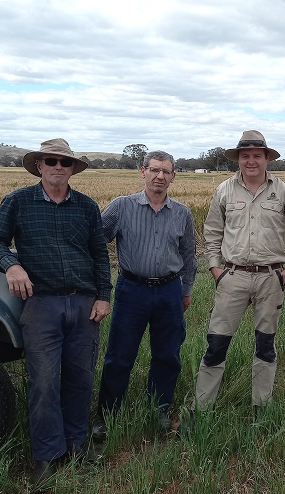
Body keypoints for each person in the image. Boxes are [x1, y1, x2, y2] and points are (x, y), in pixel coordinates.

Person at [0, 138, 111, 485]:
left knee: (80, 379)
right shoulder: (18, 201)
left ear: (72, 169)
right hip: (41, 306)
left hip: (84, 305)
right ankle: (47, 455)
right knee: (43, 383)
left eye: (64, 163)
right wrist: (11, 265)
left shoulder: (86, 206)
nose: (57, 167)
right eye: (50, 161)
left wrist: (103, 295)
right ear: (39, 165)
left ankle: (77, 444)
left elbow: (99, 254)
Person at [193, 130, 285, 413]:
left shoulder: (283, 191)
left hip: (271, 278)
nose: (251, 161)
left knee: (265, 346)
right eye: (245, 156)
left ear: (267, 158)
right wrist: (214, 268)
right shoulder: (224, 190)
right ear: (238, 159)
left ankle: (261, 408)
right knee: (216, 344)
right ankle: (200, 409)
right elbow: (212, 231)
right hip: (232, 278)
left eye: (257, 155)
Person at [91, 151, 197, 442]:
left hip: (169, 290)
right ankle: (107, 415)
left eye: (166, 171)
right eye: (154, 170)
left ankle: (158, 411)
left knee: (167, 355)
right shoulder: (121, 207)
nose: (160, 176)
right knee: (119, 356)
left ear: (173, 176)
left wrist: (185, 291)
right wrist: (99, 287)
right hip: (131, 290)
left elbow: (189, 257)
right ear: (143, 171)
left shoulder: (182, 213)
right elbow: (96, 243)